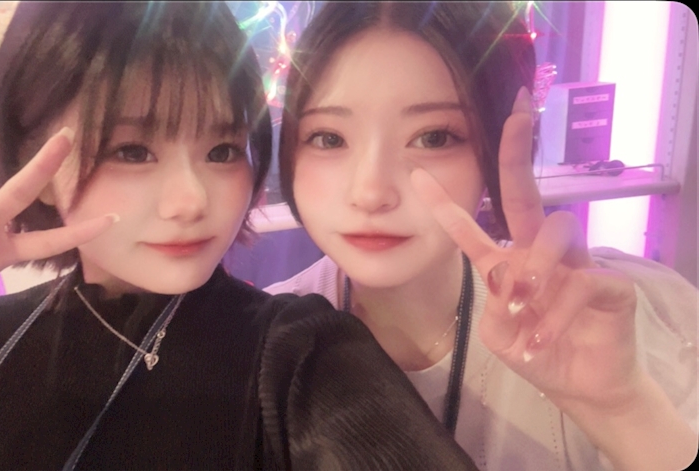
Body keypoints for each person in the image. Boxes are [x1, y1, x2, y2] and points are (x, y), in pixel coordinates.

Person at [0, 3, 478, 470]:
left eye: (222, 150)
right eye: (132, 151)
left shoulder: (298, 353)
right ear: (33, 162)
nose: (192, 201)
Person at [265, 2, 698, 470]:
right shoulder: (260, 343)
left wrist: (621, 409)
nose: (371, 193)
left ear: (495, 143)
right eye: (329, 138)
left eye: (433, 137)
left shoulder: (603, 320)